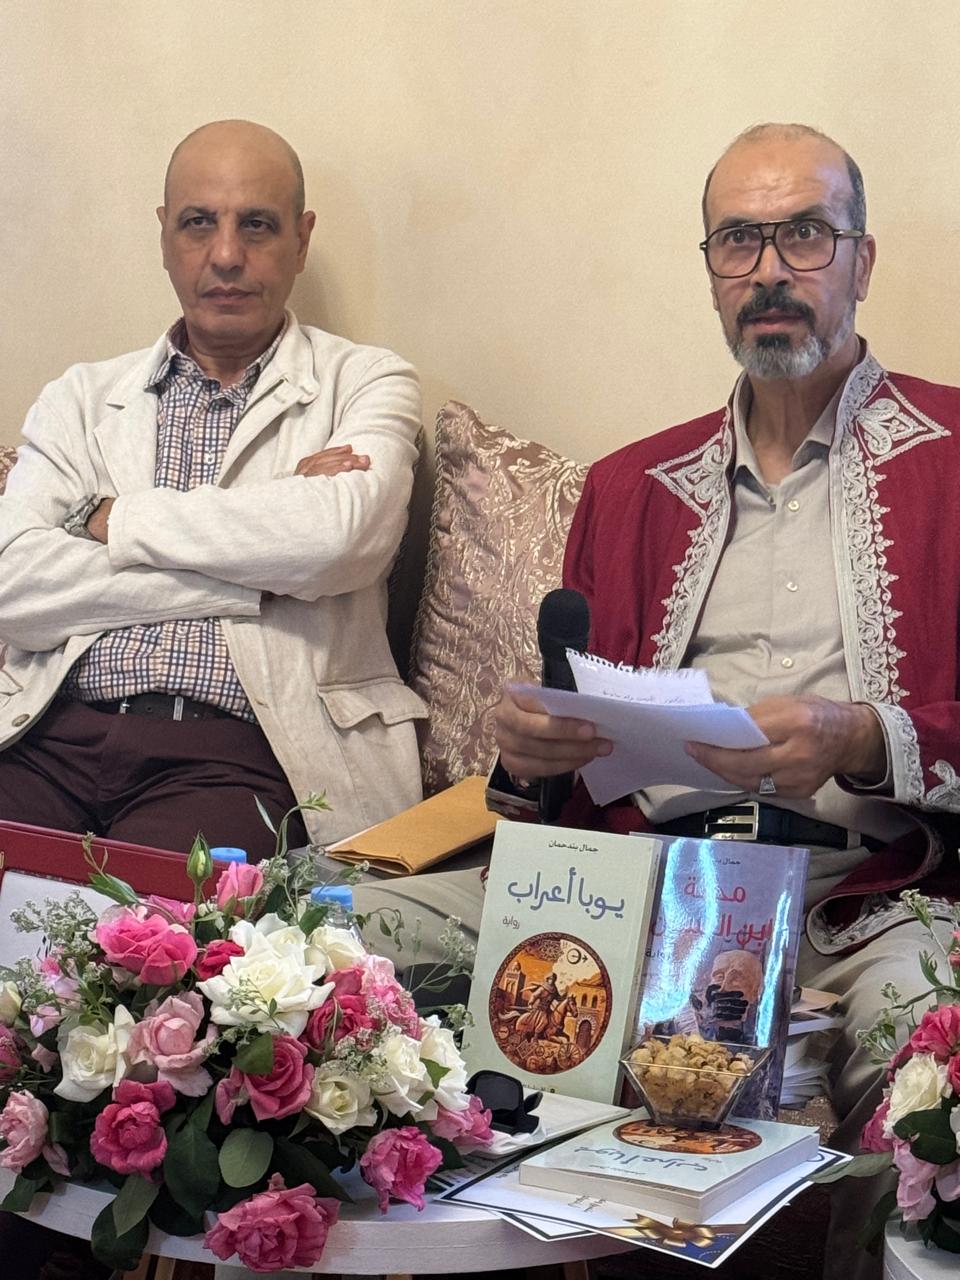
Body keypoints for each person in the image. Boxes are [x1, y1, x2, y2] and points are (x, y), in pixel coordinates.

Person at [493, 123, 960, 1279]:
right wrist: (532, 747)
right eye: (739, 240)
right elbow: (566, 766)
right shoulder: (628, 486)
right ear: (709, 269)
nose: (770, 271)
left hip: (876, 900)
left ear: (862, 259)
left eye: (805, 235)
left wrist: (862, 734)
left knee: (933, 1076)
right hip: (645, 892)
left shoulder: (955, 457)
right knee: (363, 938)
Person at [0, 120, 426, 860]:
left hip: (239, 754)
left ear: (301, 240)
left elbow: (338, 541)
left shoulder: (367, 380)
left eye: (256, 225)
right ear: (165, 235)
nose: (226, 254)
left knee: (148, 924)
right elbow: (13, 584)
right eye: (199, 222)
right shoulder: (80, 397)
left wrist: (114, 521)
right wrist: (263, 563)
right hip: (48, 734)